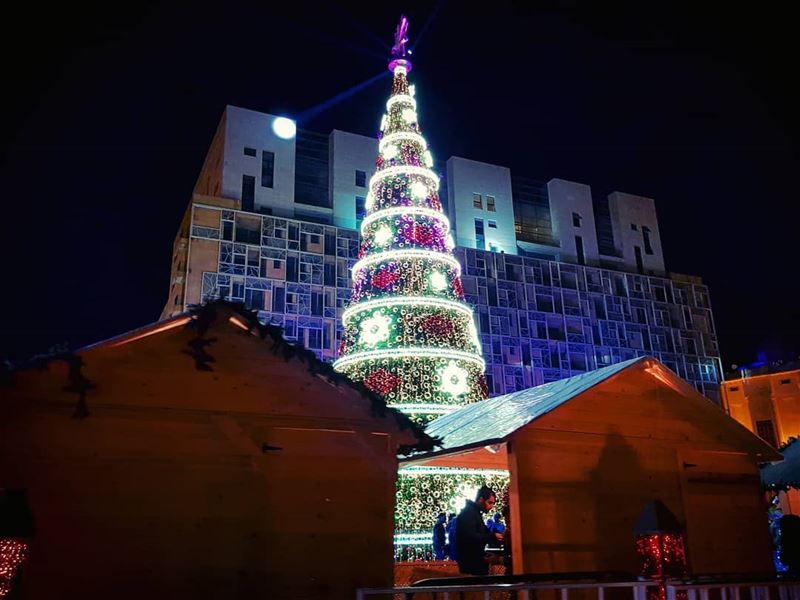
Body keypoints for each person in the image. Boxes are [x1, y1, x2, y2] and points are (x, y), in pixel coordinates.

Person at [455, 485, 504, 576]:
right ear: (481, 500)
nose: (491, 506)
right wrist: (493, 536)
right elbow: (470, 537)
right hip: (471, 566)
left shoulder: (474, 513)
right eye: (490, 502)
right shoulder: (469, 513)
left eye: (493, 503)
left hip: (474, 563)